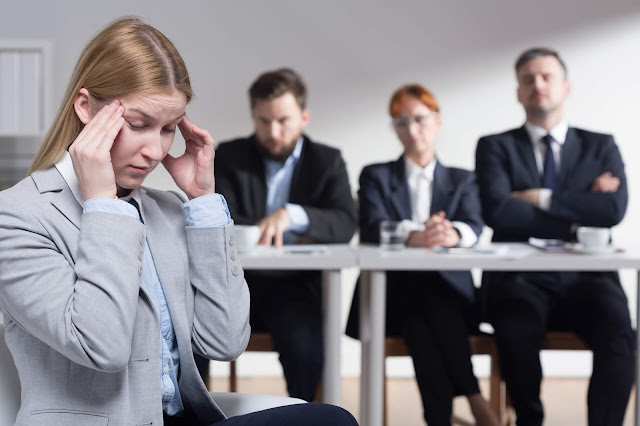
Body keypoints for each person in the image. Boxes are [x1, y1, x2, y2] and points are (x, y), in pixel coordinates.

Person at [0, 17, 358, 426]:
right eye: (138, 125)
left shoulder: (167, 210)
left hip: (183, 419)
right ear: (85, 108)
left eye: (169, 129)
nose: (156, 151)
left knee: (330, 419)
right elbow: (102, 346)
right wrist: (102, 205)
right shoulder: (18, 215)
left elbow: (225, 341)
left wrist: (203, 203)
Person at [475, 47, 633, 426]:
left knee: (619, 329)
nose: (538, 85)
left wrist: (540, 198)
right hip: (519, 279)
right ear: (518, 91)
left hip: (588, 278)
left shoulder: (601, 145)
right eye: (528, 79)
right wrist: (579, 211)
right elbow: (497, 211)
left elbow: (613, 211)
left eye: (547, 77)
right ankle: (529, 420)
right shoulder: (495, 146)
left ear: (566, 87)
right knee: (514, 331)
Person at [194, 68, 356, 401]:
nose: (273, 132)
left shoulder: (327, 161)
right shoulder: (230, 156)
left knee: (304, 347)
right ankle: (193, 414)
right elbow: (221, 216)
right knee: (190, 331)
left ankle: (305, 417)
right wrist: (301, 231)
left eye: (283, 120)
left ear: (304, 116)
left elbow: (344, 223)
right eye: (264, 121)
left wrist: (293, 215)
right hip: (236, 281)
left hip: (296, 286)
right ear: (253, 116)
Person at [345, 84, 499, 426]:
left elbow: (474, 224)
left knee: (421, 325)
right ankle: (475, 399)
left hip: (448, 299)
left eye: (419, 119)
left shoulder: (462, 179)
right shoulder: (377, 175)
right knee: (425, 302)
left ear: (438, 121)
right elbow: (371, 226)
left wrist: (452, 233)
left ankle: (439, 419)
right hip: (391, 299)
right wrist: (415, 236)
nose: (412, 130)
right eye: (401, 122)